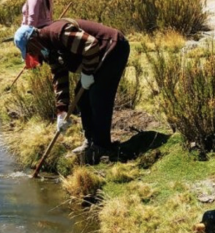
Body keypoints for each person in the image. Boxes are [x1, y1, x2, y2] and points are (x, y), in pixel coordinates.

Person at [15, 19, 130, 164]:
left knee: (98, 95)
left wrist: (87, 73)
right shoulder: (48, 50)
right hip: (98, 56)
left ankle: (102, 146)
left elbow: (91, 45)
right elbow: (59, 76)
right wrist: (62, 111)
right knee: (82, 97)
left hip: (113, 48)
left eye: (30, 51)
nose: (33, 55)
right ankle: (90, 141)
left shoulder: (58, 33)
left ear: (33, 40)